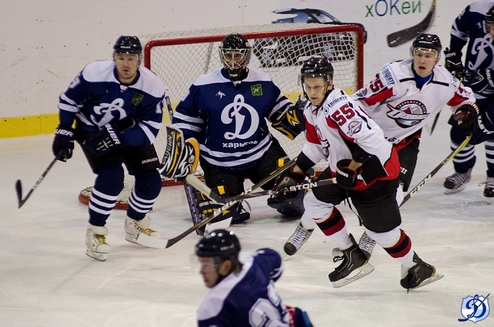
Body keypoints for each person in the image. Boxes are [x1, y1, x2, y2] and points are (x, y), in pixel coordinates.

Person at [283, 34, 478, 257]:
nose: (423, 60)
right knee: (324, 190)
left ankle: (372, 235)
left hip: (405, 142)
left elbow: (466, 99)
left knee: (395, 196)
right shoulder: (394, 76)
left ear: (437, 58)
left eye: (429, 55)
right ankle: (306, 226)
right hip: (367, 143)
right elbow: (358, 102)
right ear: (412, 54)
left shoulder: (446, 82)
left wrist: (467, 112)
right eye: (418, 54)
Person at [273, 56, 443, 290]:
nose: (312, 91)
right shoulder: (312, 110)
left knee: (382, 234)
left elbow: (372, 141)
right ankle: (352, 255)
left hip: (376, 173)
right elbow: (314, 146)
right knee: (314, 202)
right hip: (346, 170)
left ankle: (416, 267)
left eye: (317, 86)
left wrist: (352, 168)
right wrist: (294, 175)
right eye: (308, 85)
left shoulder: (339, 108)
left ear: (329, 83)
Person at [171, 33, 306, 235]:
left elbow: (282, 115)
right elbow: (186, 119)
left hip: (261, 153)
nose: (233, 60)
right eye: (229, 55)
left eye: (238, 55)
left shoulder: (263, 81)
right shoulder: (204, 84)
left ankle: (280, 196)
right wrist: (182, 149)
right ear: (222, 55)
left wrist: (303, 113)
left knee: (294, 197)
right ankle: (237, 205)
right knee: (225, 215)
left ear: (247, 56)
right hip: (219, 161)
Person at [51, 35, 166, 261]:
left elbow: (151, 127)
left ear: (138, 60)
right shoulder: (93, 74)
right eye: (120, 57)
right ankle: (96, 231)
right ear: (114, 58)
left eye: (130, 58)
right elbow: (69, 101)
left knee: (151, 180)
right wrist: (64, 129)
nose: (125, 63)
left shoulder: (153, 86)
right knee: (112, 177)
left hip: (130, 132)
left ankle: (135, 223)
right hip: (92, 129)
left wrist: (122, 138)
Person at [194, 229, 313, 327]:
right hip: (296, 323)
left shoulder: (212, 306)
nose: (201, 271)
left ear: (226, 266)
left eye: (207, 265)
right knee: (293, 313)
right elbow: (276, 262)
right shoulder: (256, 262)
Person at [442, 1, 494, 199]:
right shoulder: (477, 9)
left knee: (491, 132)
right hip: (474, 86)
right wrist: (454, 54)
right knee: (460, 127)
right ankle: (463, 171)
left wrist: (488, 78)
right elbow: (459, 28)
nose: (490, 31)